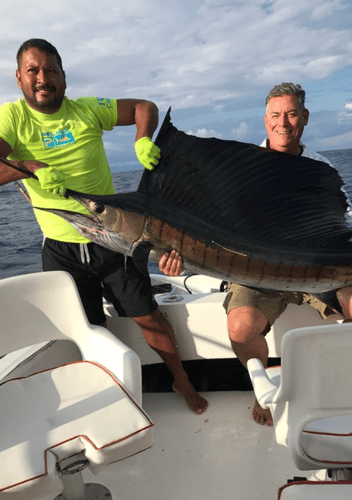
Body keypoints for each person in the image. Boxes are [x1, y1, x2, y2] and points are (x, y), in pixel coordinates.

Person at [0, 38, 208, 415]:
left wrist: (142, 138)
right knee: (88, 328)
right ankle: (109, 393)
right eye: (33, 70)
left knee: (149, 317)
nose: (42, 78)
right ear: (19, 78)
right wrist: (32, 167)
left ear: (64, 77)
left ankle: (182, 380)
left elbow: (145, 106)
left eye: (51, 70)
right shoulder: (11, 119)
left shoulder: (87, 109)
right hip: (61, 248)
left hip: (113, 239)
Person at [222, 82, 352, 425]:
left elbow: (349, 221)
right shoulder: (246, 168)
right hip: (261, 273)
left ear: (304, 116)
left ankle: (334, 375)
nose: (282, 123)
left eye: (290, 114)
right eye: (275, 115)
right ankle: (263, 388)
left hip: (320, 269)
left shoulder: (320, 166)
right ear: (265, 120)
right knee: (240, 327)